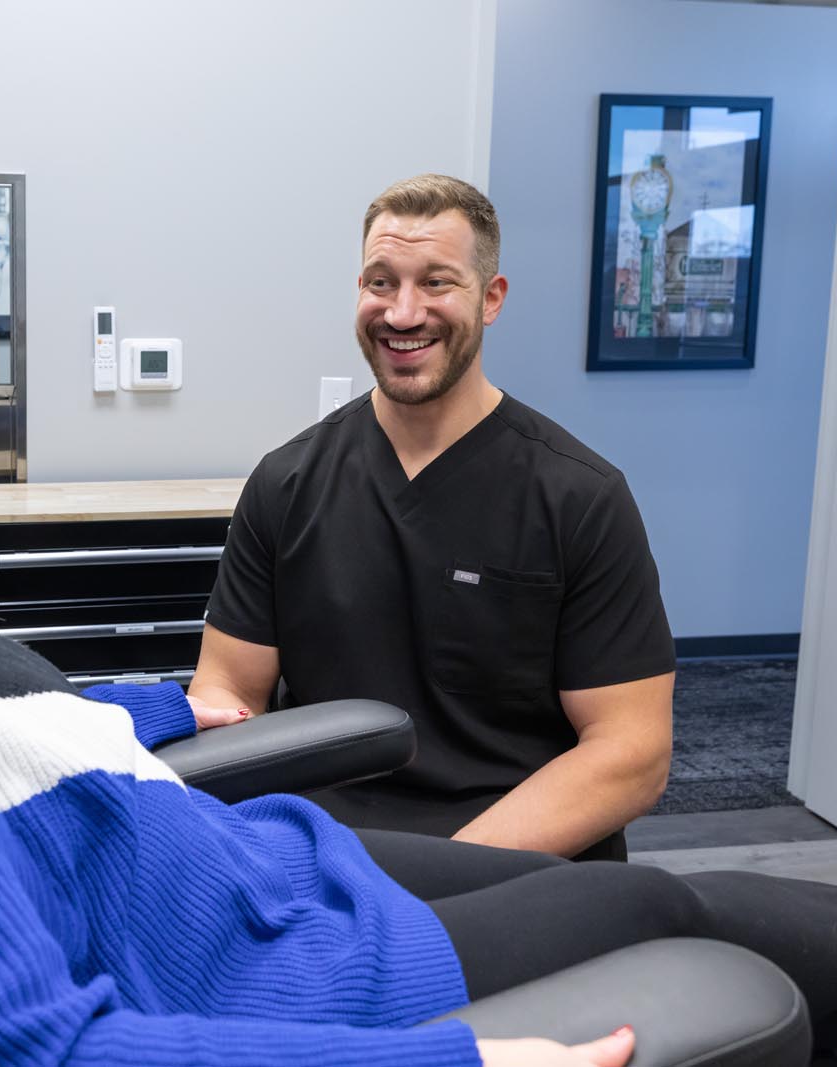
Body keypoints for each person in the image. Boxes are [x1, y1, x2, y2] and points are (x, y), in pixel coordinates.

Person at [0, 206, 837, 1067]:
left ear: (490, 294)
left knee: (638, 892)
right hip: (271, 966)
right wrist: (469, 1058)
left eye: (437, 279)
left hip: (252, 871)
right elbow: (26, 1052)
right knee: (662, 900)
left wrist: (161, 708)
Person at [189, 174, 674, 861]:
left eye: (437, 283)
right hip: (323, 855)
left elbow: (632, 753)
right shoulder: (285, 483)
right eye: (380, 282)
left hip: (514, 863)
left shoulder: (579, 498)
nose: (403, 312)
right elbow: (228, 687)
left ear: (492, 298)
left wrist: (441, 876)